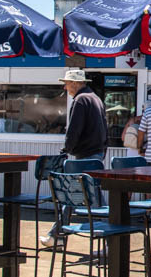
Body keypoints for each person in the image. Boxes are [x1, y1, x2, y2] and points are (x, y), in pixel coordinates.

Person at [40, 69, 107, 247]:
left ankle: (108, 240)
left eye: (68, 83)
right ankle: (58, 236)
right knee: (85, 196)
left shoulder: (80, 100)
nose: (65, 86)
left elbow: (74, 129)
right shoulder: (95, 98)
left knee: (75, 196)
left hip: (84, 154)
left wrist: (66, 149)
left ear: (76, 83)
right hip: (96, 153)